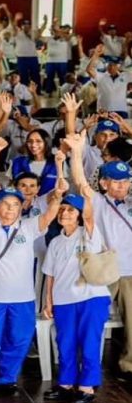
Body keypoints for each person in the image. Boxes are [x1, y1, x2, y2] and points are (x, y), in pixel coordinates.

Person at [0, 164, 64, 400]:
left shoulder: (28, 227)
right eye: (6, 204)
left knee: (18, 340)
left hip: (22, 299)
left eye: (16, 205)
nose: (10, 209)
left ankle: (7, 379)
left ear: (22, 207)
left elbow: (49, 215)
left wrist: (57, 197)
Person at [66, 132, 132, 382]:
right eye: (115, 181)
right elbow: (80, 180)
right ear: (104, 183)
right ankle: (83, 365)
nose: (120, 186)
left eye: (124, 181)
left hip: (130, 271)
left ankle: (128, 367)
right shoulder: (98, 201)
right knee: (91, 320)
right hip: (103, 270)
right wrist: (76, 151)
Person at [42, 192, 110, 403]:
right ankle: (66, 383)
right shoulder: (55, 242)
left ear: (80, 214)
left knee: (90, 342)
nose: (65, 213)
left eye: (71, 209)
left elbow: (90, 216)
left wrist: (81, 184)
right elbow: (50, 275)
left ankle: (87, 386)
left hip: (92, 298)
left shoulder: (89, 234)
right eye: (62, 209)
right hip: (64, 300)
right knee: (65, 342)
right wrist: (49, 301)